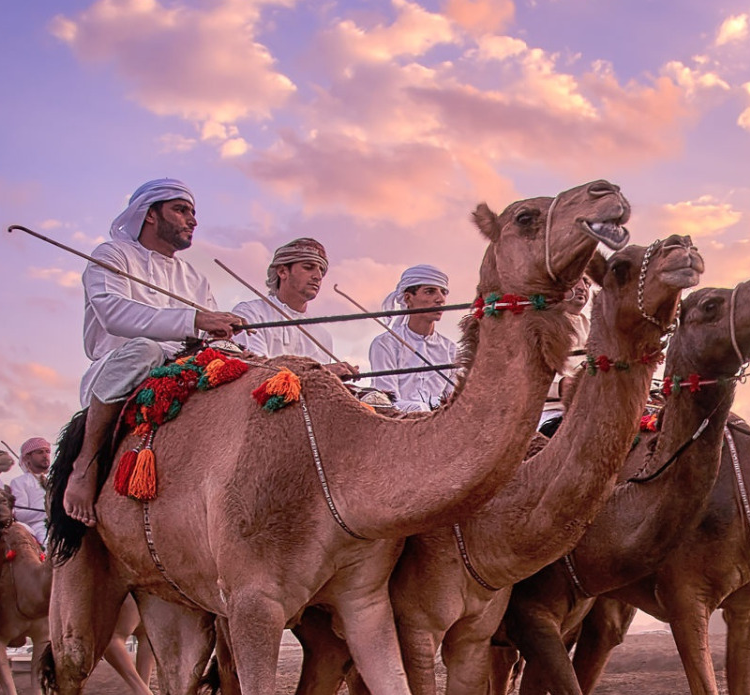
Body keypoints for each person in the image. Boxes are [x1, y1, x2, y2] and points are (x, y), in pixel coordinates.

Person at [61, 178, 242, 526]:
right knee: (145, 349)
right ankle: (84, 466)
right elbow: (113, 314)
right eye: (181, 210)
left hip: (182, 369)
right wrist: (196, 319)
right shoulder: (112, 254)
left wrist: (228, 342)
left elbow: (208, 332)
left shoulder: (194, 277)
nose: (192, 220)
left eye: (193, 212)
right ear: (150, 215)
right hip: (121, 369)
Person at [229, 238, 356, 376]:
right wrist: (319, 372)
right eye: (308, 267)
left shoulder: (322, 336)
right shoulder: (251, 314)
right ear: (283, 271)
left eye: (321, 271)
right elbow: (255, 372)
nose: (318, 276)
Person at [368, 264, 459, 414]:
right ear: (408, 298)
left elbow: (451, 401)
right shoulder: (385, 344)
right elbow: (387, 402)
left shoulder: (451, 350)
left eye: (443, 292)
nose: (440, 299)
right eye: (430, 292)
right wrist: (421, 409)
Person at [538, 276, 594, 435]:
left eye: (586, 283)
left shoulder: (595, 327)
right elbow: (521, 377)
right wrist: (561, 385)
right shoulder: (540, 326)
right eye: (575, 280)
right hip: (550, 413)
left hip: (591, 411)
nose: (582, 287)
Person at [6, 437, 50, 545]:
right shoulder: (19, 482)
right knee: (50, 546)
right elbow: (20, 514)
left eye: (47, 451)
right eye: (40, 452)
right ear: (28, 458)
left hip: (66, 522)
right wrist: (49, 513)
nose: (45, 455)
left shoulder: (59, 479)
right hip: (39, 527)